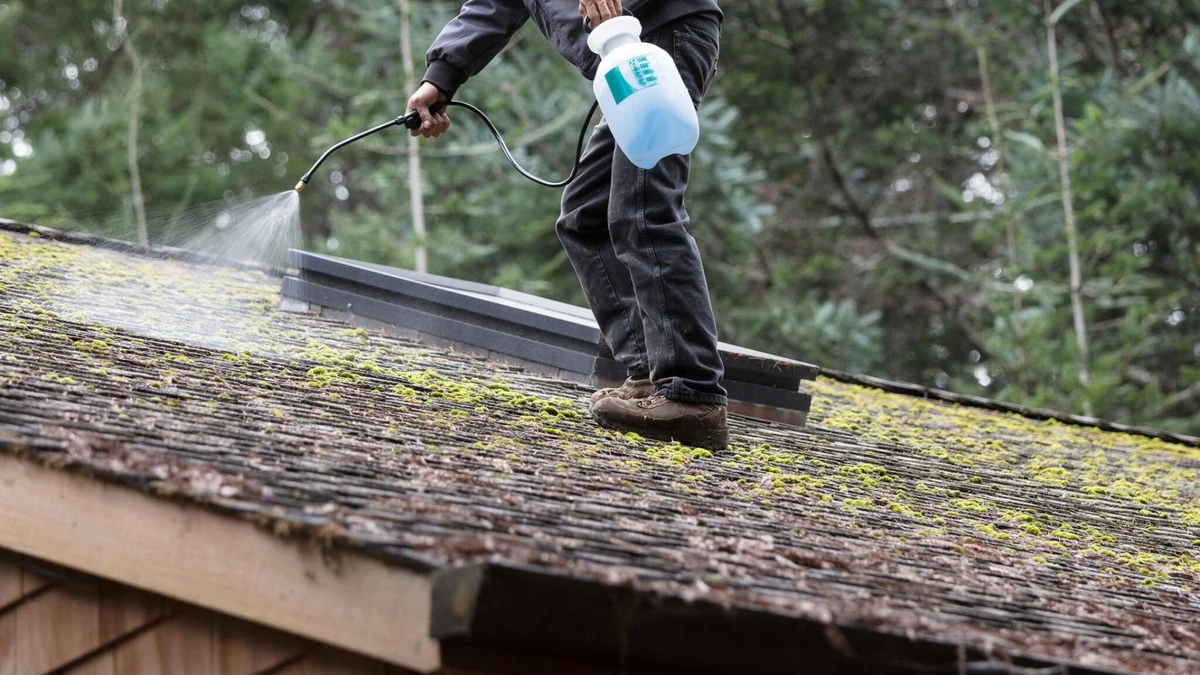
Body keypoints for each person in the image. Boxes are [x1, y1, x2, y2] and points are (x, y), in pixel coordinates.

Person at [407, 0, 728, 451]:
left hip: (660, 32)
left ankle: (693, 394)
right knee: (586, 213)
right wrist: (440, 77)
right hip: (624, 52)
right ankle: (649, 373)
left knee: (644, 209)